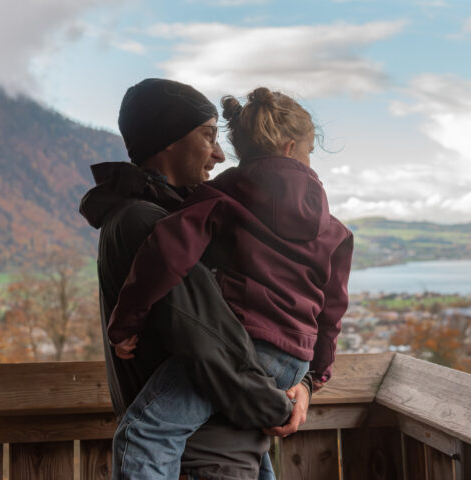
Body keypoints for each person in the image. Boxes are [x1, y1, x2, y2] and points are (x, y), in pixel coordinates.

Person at [108, 87, 354, 479]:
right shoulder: (333, 229)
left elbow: (166, 254)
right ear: (292, 148)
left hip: (250, 354)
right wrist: (314, 376)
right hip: (295, 362)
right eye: (208, 137)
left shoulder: (221, 198)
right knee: (253, 451)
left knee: (143, 432)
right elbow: (332, 310)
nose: (218, 154)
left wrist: (124, 323)